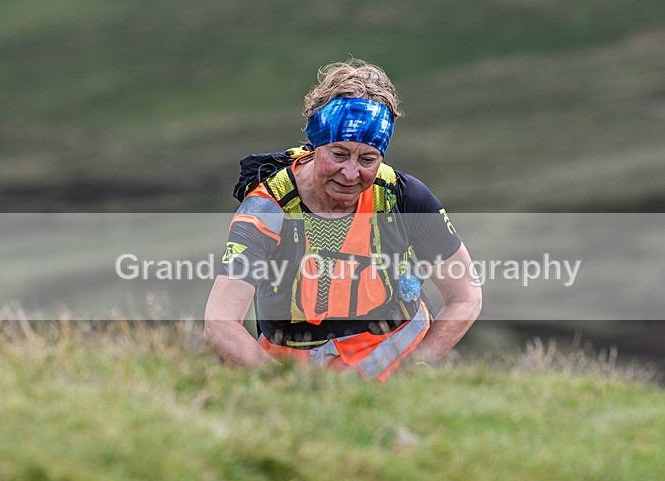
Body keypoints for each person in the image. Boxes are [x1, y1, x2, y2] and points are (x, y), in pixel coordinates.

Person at [204, 59, 481, 381]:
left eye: (368, 159)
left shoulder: (402, 196)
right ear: (315, 145)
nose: (351, 174)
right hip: (288, 362)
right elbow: (219, 324)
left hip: (393, 350)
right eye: (338, 154)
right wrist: (282, 387)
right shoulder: (268, 207)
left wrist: (415, 370)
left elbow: (465, 296)